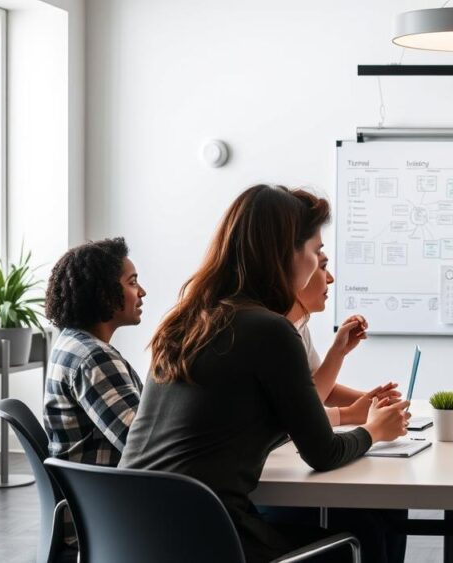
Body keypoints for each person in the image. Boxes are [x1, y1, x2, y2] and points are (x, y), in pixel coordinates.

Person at [120, 185, 410, 563]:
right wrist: (374, 431)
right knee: (359, 538)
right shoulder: (270, 330)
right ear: (285, 255)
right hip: (207, 538)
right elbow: (324, 453)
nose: (319, 264)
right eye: (316, 252)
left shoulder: (185, 320)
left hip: (128, 532)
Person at [43, 237, 146, 466]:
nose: (142, 292)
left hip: (88, 491)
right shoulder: (93, 359)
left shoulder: (70, 341)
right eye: (132, 282)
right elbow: (142, 447)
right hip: (111, 495)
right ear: (105, 292)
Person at [285, 243, 400, 426]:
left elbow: (322, 389)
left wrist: (375, 403)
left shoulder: (300, 326)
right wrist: (347, 414)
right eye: (323, 267)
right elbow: (294, 417)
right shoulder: (274, 334)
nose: (330, 278)